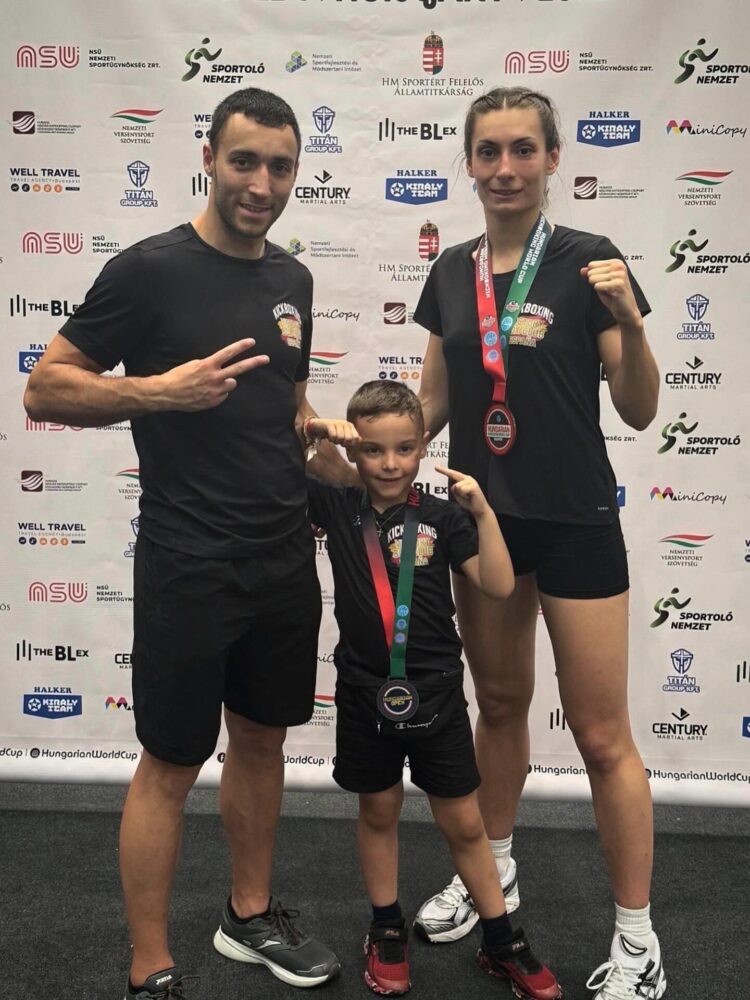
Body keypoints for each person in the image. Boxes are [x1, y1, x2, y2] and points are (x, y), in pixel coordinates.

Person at [23, 88, 347, 1000]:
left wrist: (319, 433)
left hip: (284, 558)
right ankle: (149, 966)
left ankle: (249, 918)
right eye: (245, 161)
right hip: (187, 562)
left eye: (280, 166)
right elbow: (46, 389)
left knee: (262, 743)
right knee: (169, 763)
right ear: (209, 156)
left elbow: (279, 401)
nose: (262, 183)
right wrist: (158, 393)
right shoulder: (149, 271)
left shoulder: (294, 281)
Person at [412, 87, 665, 1000]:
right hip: (486, 520)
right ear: (470, 163)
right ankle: (495, 874)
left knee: (602, 736)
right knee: (503, 706)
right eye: (489, 151)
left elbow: (638, 406)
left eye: (524, 150)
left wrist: (630, 323)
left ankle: (638, 936)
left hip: (577, 521)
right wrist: (363, 441)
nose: (506, 168)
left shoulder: (593, 262)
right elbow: (435, 404)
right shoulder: (450, 274)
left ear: (553, 159)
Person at [303, 381, 561, 1000]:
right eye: (372, 451)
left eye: (403, 449)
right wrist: (317, 434)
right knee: (378, 809)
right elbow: (292, 444)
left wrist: (483, 512)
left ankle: (502, 939)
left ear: (423, 447)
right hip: (364, 689)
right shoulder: (337, 506)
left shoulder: (443, 517)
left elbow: (498, 585)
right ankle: (385, 929)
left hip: (438, 691)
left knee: (465, 824)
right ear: (356, 453)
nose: (389, 464)